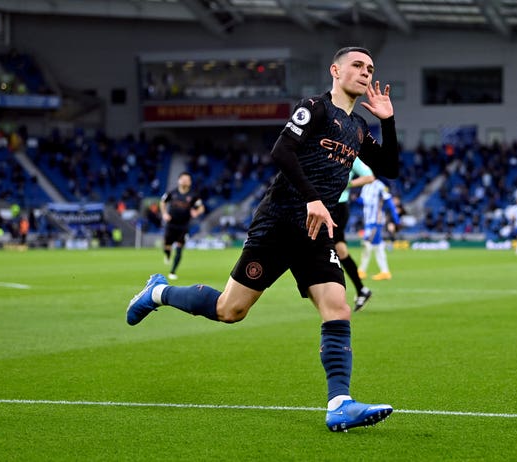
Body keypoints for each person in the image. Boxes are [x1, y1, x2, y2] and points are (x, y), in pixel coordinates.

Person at [126, 47, 399, 432]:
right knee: (230, 310)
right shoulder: (315, 108)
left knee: (338, 308)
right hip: (279, 223)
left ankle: (340, 403)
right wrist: (313, 199)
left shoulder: (359, 128)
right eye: (357, 65)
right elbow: (281, 150)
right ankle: (158, 292)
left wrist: (388, 122)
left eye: (370, 69)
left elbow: (391, 168)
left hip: (315, 232)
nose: (365, 73)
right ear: (335, 71)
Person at [332, 157, 375, 312]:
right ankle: (361, 289)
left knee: (324, 249)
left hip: (337, 208)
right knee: (340, 251)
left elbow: (369, 176)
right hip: (328, 206)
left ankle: (329, 292)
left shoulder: (349, 154)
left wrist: (348, 184)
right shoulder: (327, 149)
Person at [160, 172, 205, 279]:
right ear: (179, 180)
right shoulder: (172, 193)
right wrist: (164, 213)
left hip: (183, 225)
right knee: (167, 246)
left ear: (190, 182)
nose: (185, 181)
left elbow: (201, 207)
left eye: (187, 179)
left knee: (180, 248)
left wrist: (196, 212)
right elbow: (162, 202)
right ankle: (167, 254)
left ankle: (173, 272)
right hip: (171, 224)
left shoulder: (193, 196)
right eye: (183, 179)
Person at [357, 179, 400, 280]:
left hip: (376, 220)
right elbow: (363, 201)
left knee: (367, 243)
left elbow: (389, 201)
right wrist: (355, 199)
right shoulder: (365, 186)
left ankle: (361, 270)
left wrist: (395, 218)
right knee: (377, 246)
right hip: (368, 220)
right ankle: (385, 272)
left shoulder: (380, 186)